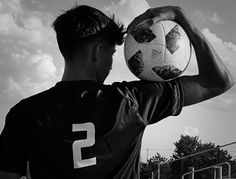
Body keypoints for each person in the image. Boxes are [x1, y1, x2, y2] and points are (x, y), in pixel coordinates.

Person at [0, 4, 234, 179]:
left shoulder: (23, 114)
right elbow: (219, 81)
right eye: (112, 54)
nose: (112, 64)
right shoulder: (131, 102)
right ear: (98, 51)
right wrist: (180, 15)